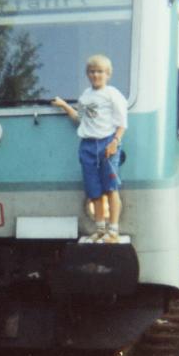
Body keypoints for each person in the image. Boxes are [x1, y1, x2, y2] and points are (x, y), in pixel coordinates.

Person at [51, 54, 127, 243]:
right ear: (87, 74)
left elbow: (122, 123)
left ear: (108, 74)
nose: (96, 75)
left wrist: (114, 142)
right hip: (87, 146)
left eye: (100, 72)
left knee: (111, 189)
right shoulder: (85, 96)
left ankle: (114, 231)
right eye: (92, 72)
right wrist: (64, 106)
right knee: (94, 191)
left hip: (107, 142)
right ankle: (100, 230)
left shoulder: (113, 94)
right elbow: (80, 119)